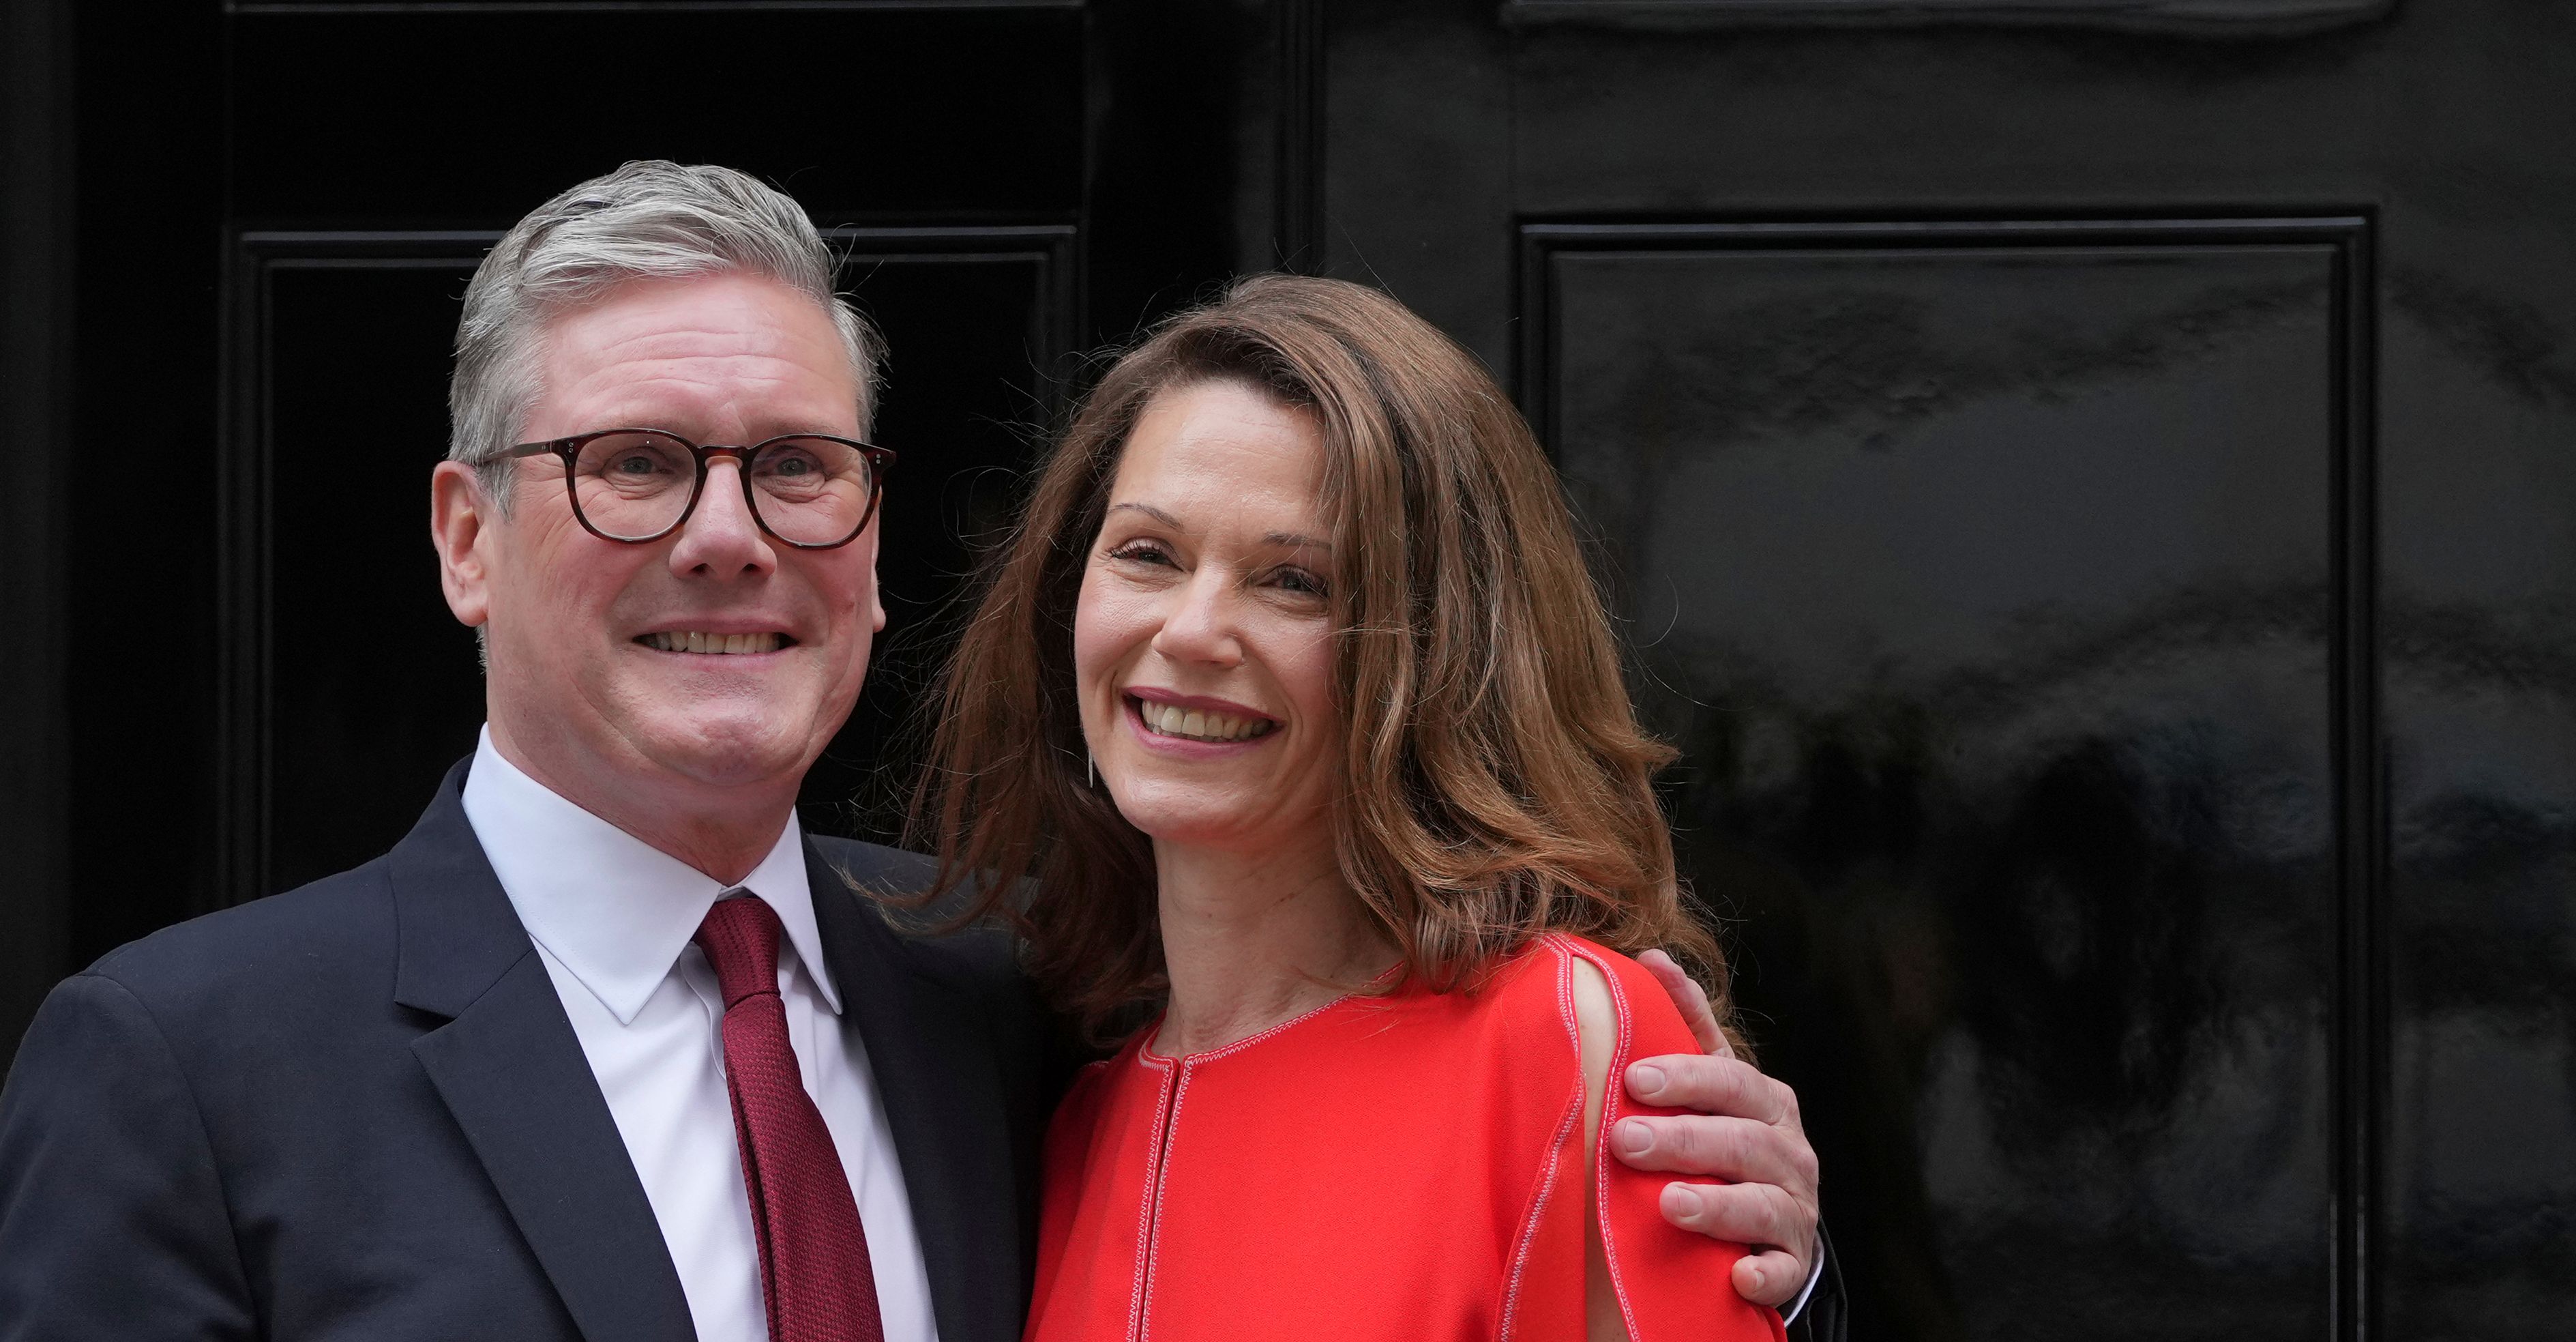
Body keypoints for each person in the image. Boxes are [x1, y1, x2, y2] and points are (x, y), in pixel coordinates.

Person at [0, 163, 1829, 1341]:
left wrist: (1771, 1275)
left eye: (798, 466)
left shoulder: (1018, 997)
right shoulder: (183, 1073)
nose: (729, 535)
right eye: (634, 464)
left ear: (873, 546)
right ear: (465, 538)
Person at [912, 274, 1814, 1338]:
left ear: (1440, 651)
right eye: (1148, 555)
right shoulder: (1071, 1123)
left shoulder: (1557, 1036)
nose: (1195, 631)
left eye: (1296, 581)